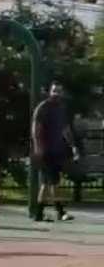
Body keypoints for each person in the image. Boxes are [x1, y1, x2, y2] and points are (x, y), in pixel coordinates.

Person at [32, 82, 79, 222]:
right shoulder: (43, 107)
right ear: (50, 92)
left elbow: (65, 129)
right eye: (54, 91)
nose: (56, 93)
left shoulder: (61, 108)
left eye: (59, 91)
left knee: (47, 183)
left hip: (57, 149)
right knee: (53, 182)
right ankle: (59, 211)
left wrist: (73, 146)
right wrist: (38, 147)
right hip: (46, 150)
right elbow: (36, 128)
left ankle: (39, 213)